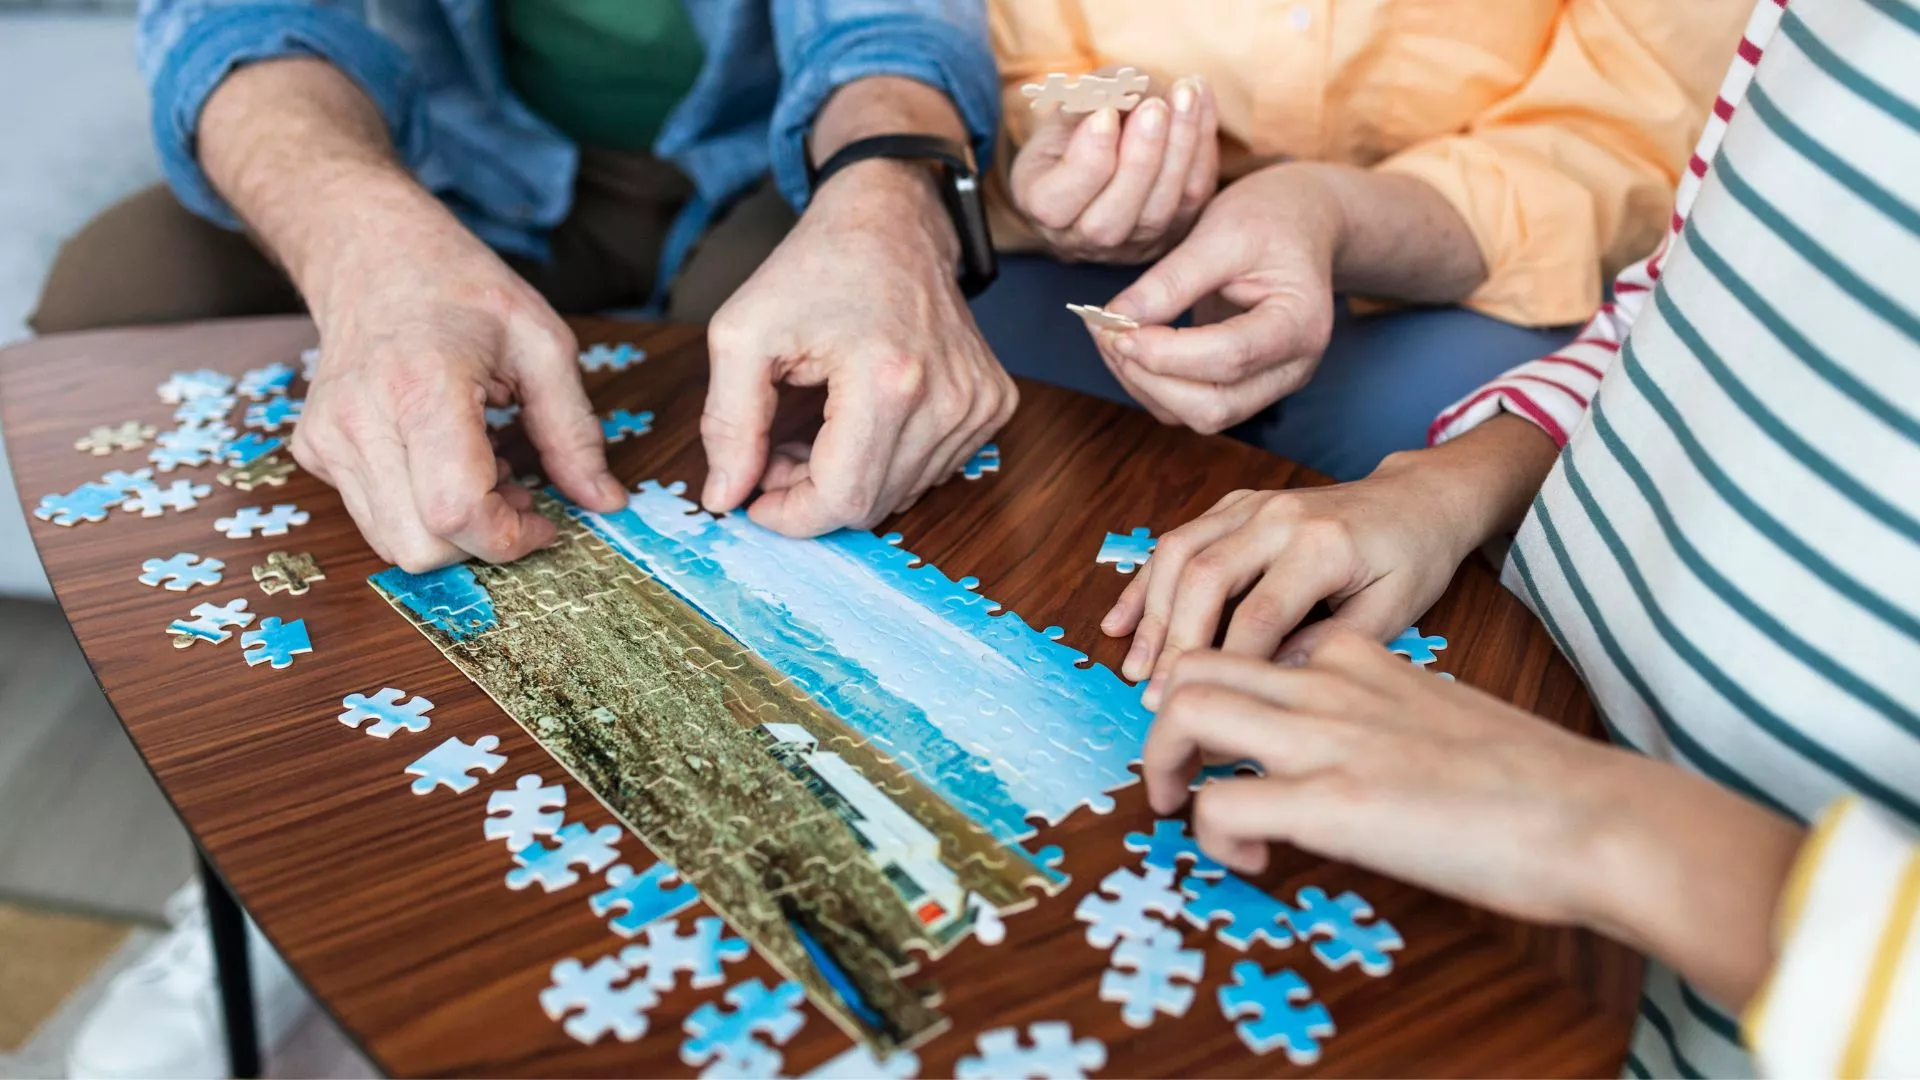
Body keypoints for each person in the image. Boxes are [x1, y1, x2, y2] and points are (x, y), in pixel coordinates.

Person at [1112, 0, 1920, 1073]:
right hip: (1479, 712)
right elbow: (1675, 295)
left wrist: (1601, 825)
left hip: (1695, 998)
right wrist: (1440, 492)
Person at [34, 0, 1015, 568]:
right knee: (109, 301)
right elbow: (241, 21)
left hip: (769, 166)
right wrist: (358, 250)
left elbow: (889, 27)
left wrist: (892, 202)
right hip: (450, 168)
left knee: (761, 421)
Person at [969, 0, 1754, 480]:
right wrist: (1087, 145)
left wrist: (1333, 213)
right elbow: (1019, 65)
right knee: (983, 422)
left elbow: (1623, 139)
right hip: (1066, 267)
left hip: (1438, 274)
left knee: (1467, 453)